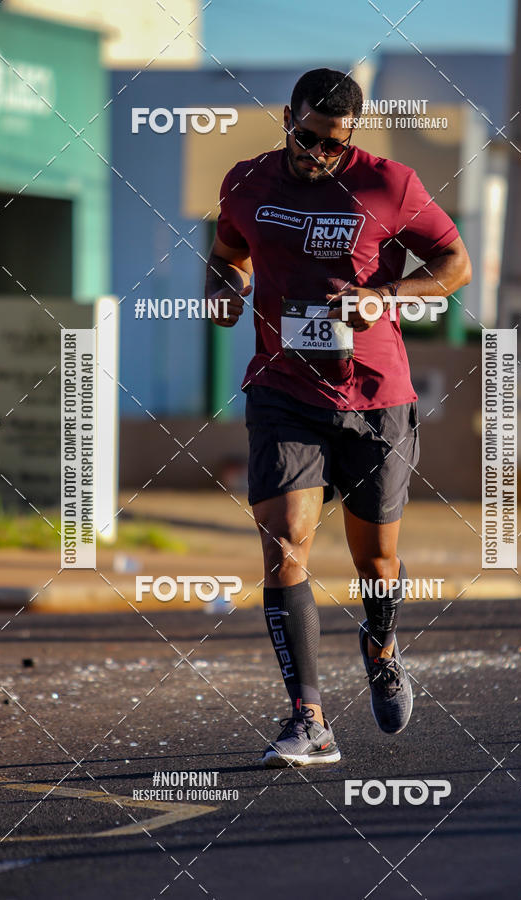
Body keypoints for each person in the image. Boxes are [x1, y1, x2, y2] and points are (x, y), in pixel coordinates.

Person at [204, 68, 471, 767]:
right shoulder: (246, 182)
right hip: (282, 391)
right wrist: (223, 292)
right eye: (309, 137)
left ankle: (381, 649)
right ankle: (308, 719)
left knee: (373, 558)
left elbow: (454, 263)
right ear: (287, 117)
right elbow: (227, 255)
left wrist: (386, 293)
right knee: (285, 540)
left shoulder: (390, 184)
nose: (319, 155)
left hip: (376, 397)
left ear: (351, 135)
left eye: (334, 144)